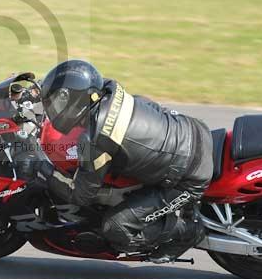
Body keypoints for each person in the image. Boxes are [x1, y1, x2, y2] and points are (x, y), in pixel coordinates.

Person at [34, 60, 213, 263]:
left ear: (76, 99)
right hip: (193, 130)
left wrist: (43, 168)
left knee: (116, 228)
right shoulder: (109, 89)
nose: (54, 108)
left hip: (188, 177)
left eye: (58, 102)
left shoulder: (97, 139)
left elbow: (80, 194)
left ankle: (189, 231)